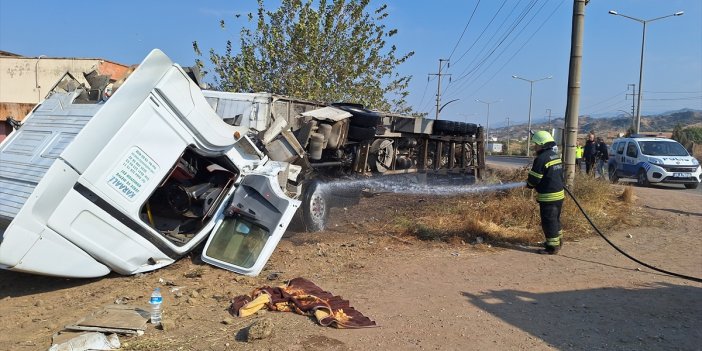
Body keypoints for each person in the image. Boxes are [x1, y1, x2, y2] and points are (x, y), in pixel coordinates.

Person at [526, 131, 565, 255]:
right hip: (559, 195)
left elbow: (534, 179)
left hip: (549, 197)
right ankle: (558, 241)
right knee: (555, 219)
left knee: (549, 221)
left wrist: (529, 185)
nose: (534, 147)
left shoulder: (541, 159)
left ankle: (552, 247)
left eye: (536, 144)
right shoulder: (555, 156)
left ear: (542, 144)